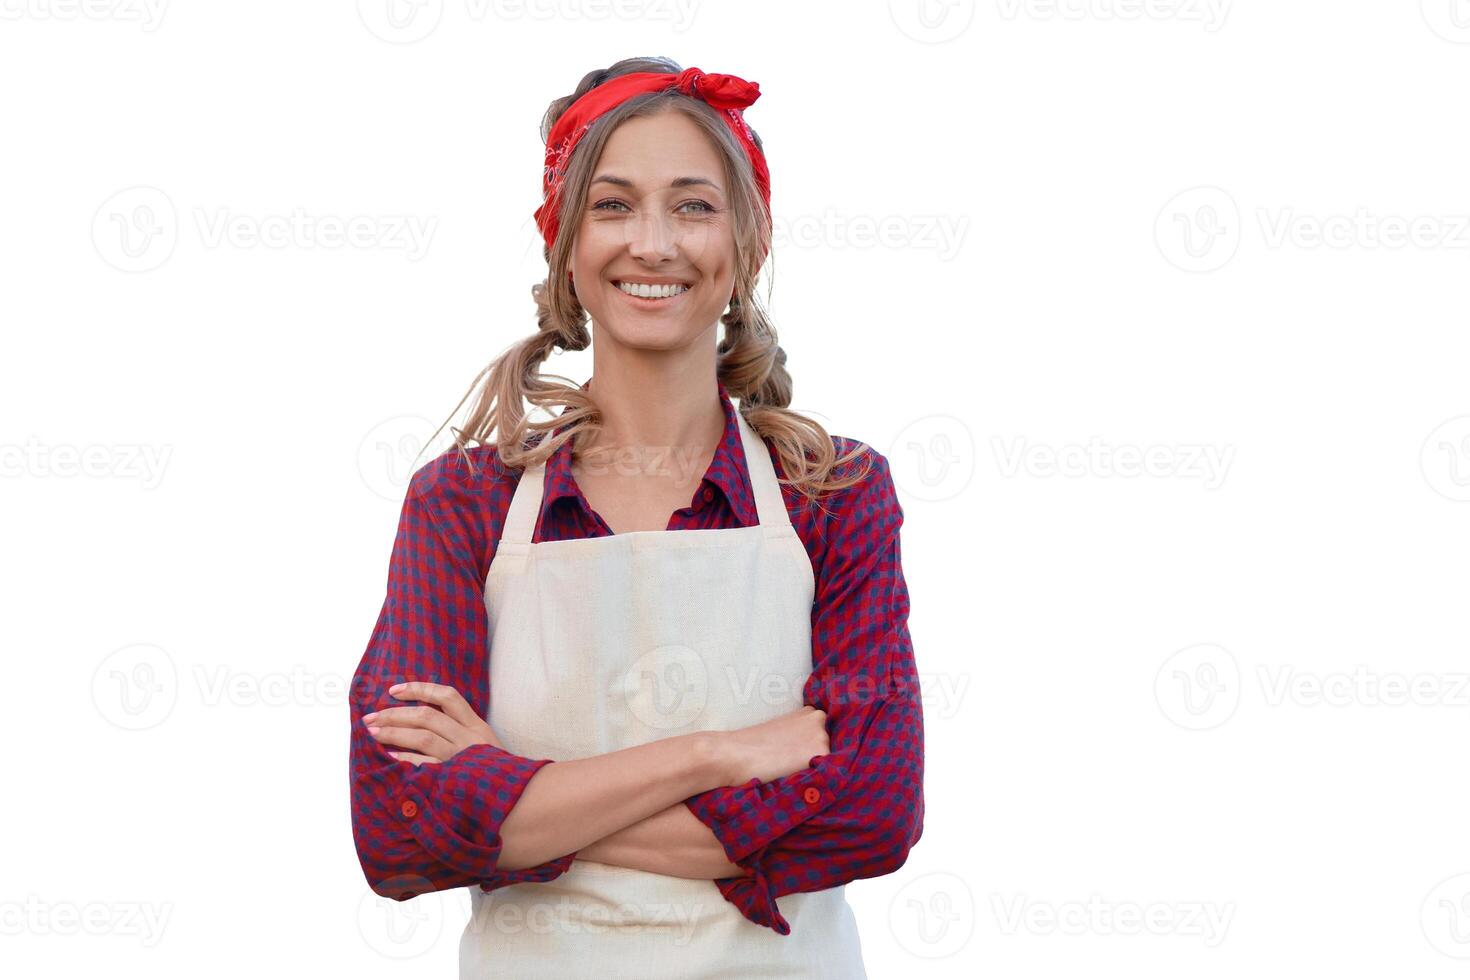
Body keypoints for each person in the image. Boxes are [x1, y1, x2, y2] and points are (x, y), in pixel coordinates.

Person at [347, 55, 924, 979]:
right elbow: (398, 830)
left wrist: (506, 797)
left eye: (693, 206)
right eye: (613, 205)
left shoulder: (836, 493)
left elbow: (873, 814)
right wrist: (720, 754)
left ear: (747, 243)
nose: (651, 242)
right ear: (566, 244)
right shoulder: (462, 505)